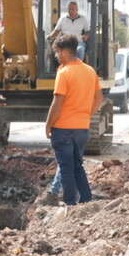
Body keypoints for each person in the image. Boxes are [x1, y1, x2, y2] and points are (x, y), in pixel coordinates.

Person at [44, 35, 103, 206]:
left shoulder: (64, 72)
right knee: (78, 166)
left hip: (63, 129)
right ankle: (86, 200)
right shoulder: (90, 71)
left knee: (66, 167)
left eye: (56, 52)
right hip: (82, 129)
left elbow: (57, 103)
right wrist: (87, 115)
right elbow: (99, 98)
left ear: (63, 52)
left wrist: (48, 125)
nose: (56, 56)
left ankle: (70, 204)